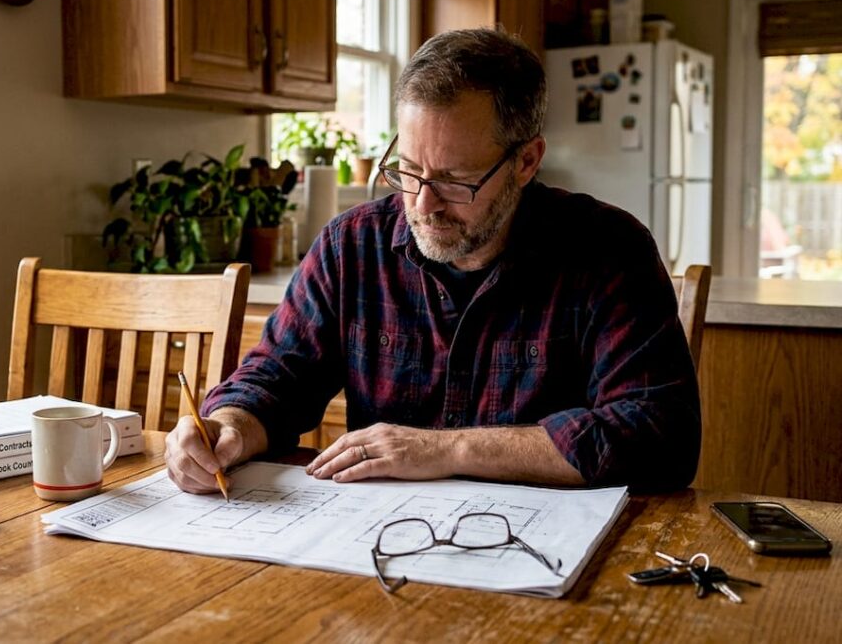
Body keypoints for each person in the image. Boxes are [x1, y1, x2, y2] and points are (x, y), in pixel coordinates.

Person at [166, 28, 701, 495]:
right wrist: (228, 425)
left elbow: (660, 437)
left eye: (453, 180)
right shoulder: (351, 247)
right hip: (382, 545)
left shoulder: (608, 249)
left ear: (526, 162)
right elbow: (278, 376)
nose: (422, 204)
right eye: (409, 171)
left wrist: (448, 450)